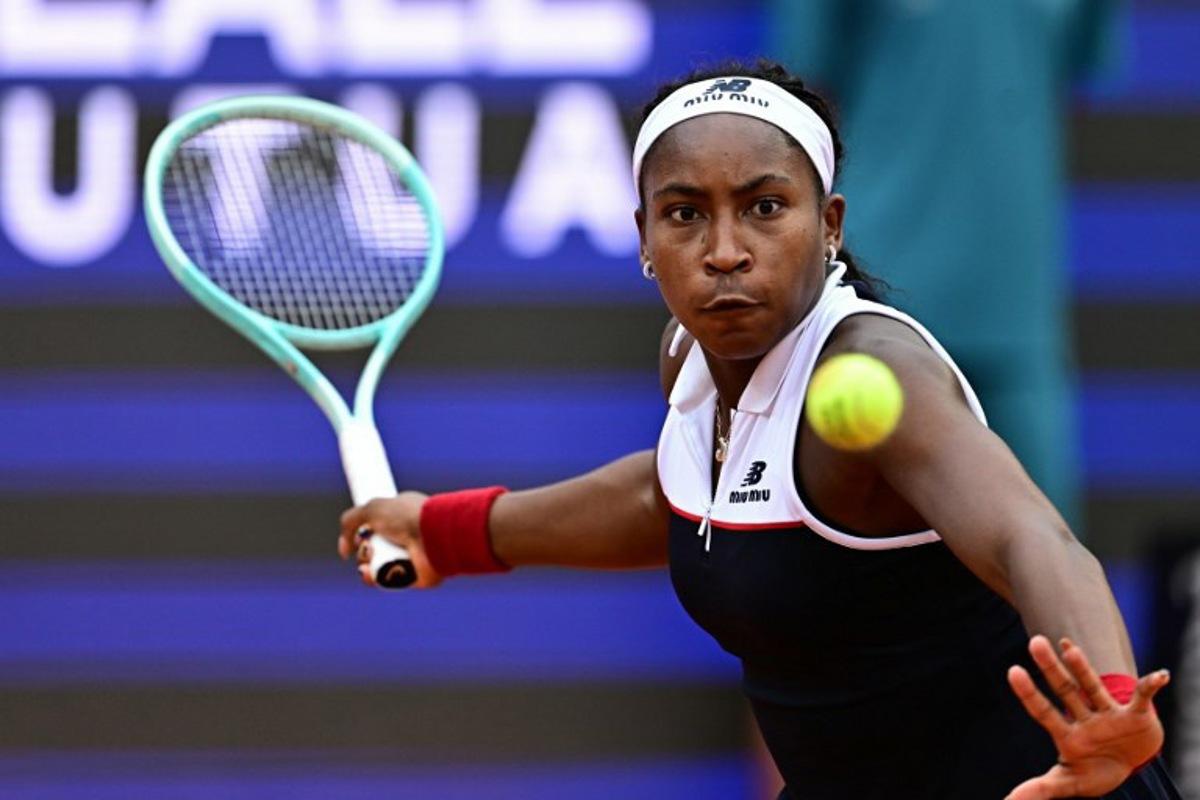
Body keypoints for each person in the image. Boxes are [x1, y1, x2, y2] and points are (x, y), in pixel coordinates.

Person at [337, 62, 1179, 799]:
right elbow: (671, 494)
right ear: (643, 238)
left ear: (832, 225)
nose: (725, 250)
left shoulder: (878, 372)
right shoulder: (689, 356)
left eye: (765, 207)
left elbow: (1028, 535)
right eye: (685, 214)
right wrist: (447, 531)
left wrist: (1106, 700)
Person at [765, 0, 1125, 532]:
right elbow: (801, 103)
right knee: (852, 574)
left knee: (1045, 560)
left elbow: (1064, 75)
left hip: (1016, 317)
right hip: (872, 303)